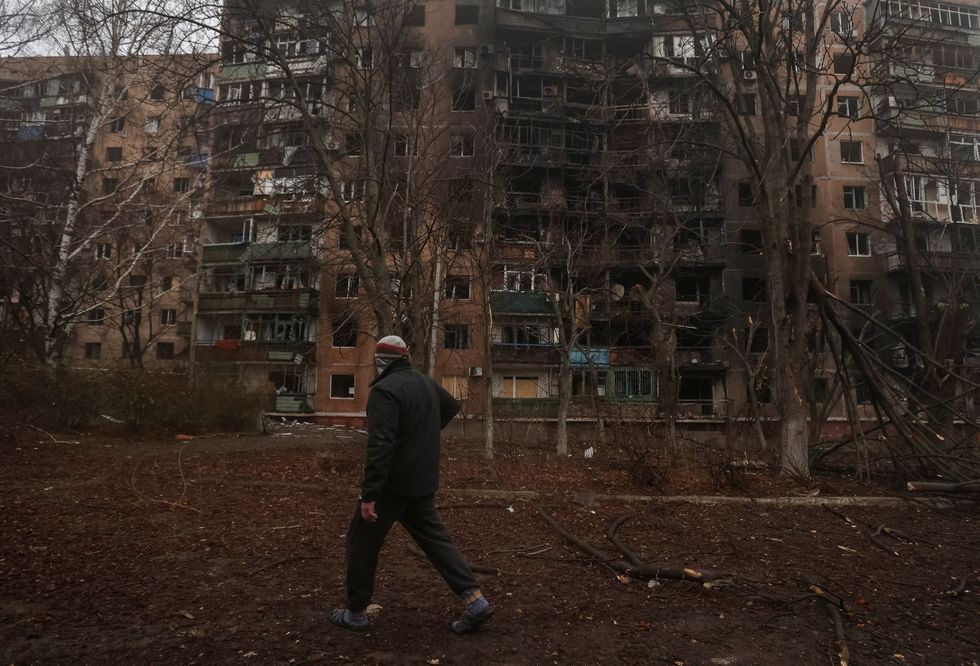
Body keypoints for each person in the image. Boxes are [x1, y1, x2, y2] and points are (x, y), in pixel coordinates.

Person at [331, 335, 493, 634]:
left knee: (362, 542)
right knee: (436, 541)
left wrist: (369, 496)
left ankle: (355, 612)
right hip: (422, 481)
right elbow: (450, 407)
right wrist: (421, 436)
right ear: (404, 357)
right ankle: (475, 599)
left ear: (381, 362)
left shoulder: (384, 391)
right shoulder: (424, 383)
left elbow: (380, 447)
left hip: (391, 487)